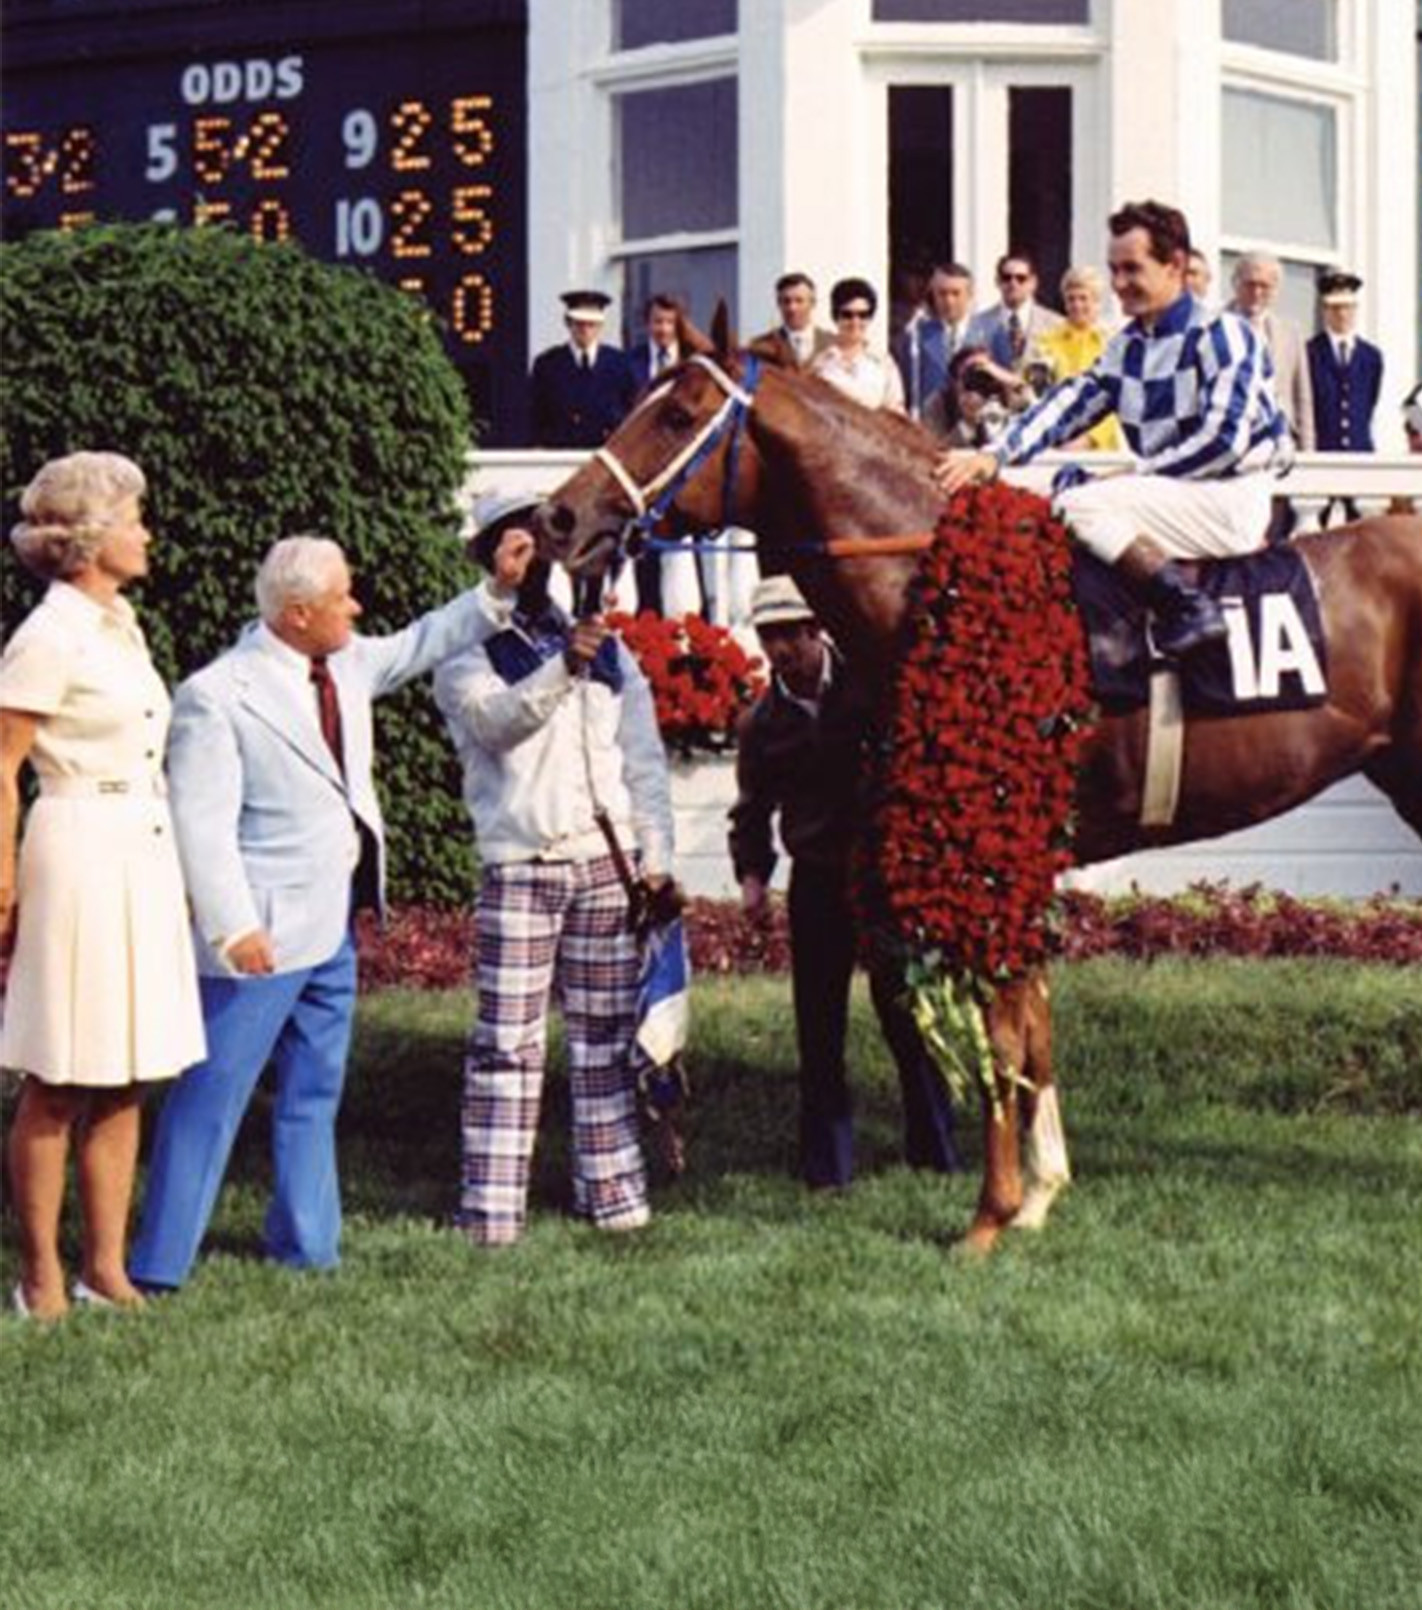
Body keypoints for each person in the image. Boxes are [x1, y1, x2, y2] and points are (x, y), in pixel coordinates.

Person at [128, 533, 518, 1291]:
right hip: (260, 939)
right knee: (212, 1097)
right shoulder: (217, 695)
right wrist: (233, 928)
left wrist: (497, 590)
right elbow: (201, 825)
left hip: (332, 927)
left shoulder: (343, 659)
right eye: (344, 597)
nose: (357, 606)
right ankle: (158, 1264)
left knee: (314, 1091)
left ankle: (308, 1246)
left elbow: (422, 641)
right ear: (300, 613)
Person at [432, 494, 675, 1246]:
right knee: (507, 1042)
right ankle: (493, 1214)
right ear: (488, 558)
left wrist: (658, 859)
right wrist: (562, 671)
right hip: (521, 865)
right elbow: (493, 726)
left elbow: (642, 761)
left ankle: (614, 1198)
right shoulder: (464, 650)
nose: (537, 554)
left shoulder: (606, 649)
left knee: (604, 1038)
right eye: (519, 542)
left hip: (605, 863)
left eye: (545, 539)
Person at [1, 452, 206, 1319]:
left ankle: (106, 1268)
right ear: (88, 540)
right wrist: (2, 881)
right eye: (134, 519)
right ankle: (42, 1275)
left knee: (128, 1072)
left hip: (141, 847)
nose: (147, 532)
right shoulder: (48, 635)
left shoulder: (119, 624)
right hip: (77, 849)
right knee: (61, 1072)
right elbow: (4, 761)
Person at [936, 199, 1292, 661]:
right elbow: (1069, 404)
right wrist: (994, 455)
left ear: (1176, 265)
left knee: (1077, 504)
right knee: (1004, 488)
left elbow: (1223, 443)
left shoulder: (1225, 333)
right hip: (1169, 490)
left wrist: (1130, 477)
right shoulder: (1128, 345)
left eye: (1132, 269)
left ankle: (1189, 608)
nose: (1118, 285)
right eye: (1113, 270)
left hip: (1229, 497)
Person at [729, 576, 959, 1189]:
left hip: (885, 878)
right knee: (819, 1029)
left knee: (909, 1016)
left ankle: (936, 1152)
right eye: (766, 638)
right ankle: (828, 1171)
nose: (779, 651)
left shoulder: (872, 689)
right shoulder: (761, 722)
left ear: (816, 631)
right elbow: (751, 808)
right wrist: (753, 878)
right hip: (817, 883)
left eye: (788, 636)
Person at [528, 289, 638, 449]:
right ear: (568, 323)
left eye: (591, 324)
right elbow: (535, 415)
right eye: (579, 324)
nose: (585, 330)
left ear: (600, 325)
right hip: (559, 454)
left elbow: (630, 413)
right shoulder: (547, 364)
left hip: (605, 455)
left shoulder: (620, 364)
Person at [1228, 253, 1315, 451]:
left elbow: (1303, 398)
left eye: (1264, 286)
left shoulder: (1290, 333)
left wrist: (1308, 451)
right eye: (1250, 284)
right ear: (1235, 284)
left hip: (1280, 442)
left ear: (1276, 290)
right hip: (1232, 440)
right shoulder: (1214, 326)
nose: (1257, 292)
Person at [1033, 265, 1125, 452]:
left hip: (1102, 447)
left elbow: (1119, 400)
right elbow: (1040, 394)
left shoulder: (1112, 343)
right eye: (1071, 299)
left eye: (1084, 298)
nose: (1077, 305)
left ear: (1097, 301)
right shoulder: (1046, 341)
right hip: (1056, 443)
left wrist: (1089, 439)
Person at [893, 260, 977, 420]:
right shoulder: (915, 337)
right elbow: (906, 390)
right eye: (942, 293)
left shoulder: (990, 333)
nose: (949, 301)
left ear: (970, 294)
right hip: (930, 432)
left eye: (955, 293)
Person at [811, 277, 907, 413]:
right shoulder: (820, 364)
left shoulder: (883, 363)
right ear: (835, 315)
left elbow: (896, 411)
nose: (855, 321)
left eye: (863, 315)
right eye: (847, 315)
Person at [966, 251, 1064, 375]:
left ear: (1033, 282)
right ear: (997, 281)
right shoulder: (978, 324)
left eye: (1021, 278)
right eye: (1006, 278)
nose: (1013, 283)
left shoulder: (1055, 324)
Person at [922, 345, 1031, 448]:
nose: (978, 382)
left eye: (982, 374)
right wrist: (967, 424)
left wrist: (1002, 376)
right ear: (954, 381)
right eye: (970, 376)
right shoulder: (938, 404)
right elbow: (935, 451)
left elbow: (1031, 403)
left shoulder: (997, 391)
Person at [754, 271, 835, 371]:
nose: (792, 308)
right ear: (779, 304)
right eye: (786, 301)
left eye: (799, 301)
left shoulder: (833, 345)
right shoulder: (760, 347)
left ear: (813, 303)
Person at [627, 292, 685, 392]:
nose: (664, 329)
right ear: (647, 323)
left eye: (670, 322)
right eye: (658, 321)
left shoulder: (689, 360)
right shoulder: (630, 361)